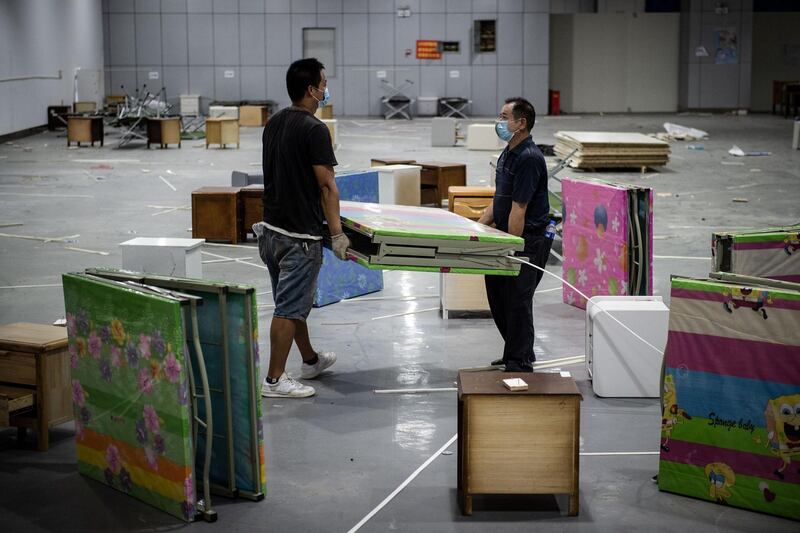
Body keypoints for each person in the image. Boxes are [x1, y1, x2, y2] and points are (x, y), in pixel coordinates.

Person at [253, 58, 350, 398]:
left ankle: (310, 360)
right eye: (323, 83)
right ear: (312, 90)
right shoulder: (314, 129)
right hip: (299, 238)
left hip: (271, 231)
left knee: (292, 303)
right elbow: (327, 186)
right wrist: (337, 234)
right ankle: (275, 380)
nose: (326, 89)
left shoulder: (275, 122)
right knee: (289, 308)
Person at [478, 97, 552, 373]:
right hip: (505, 234)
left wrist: (511, 247)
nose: (499, 123)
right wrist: (475, 227)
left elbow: (519, 209)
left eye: (503, 117)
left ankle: (519, 361)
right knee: (498, 297)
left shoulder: (529, 159)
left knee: (518, 301)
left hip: (526, 240)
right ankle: (515, 350)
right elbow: (500, 199)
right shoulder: (508, 152)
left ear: (520, 123)